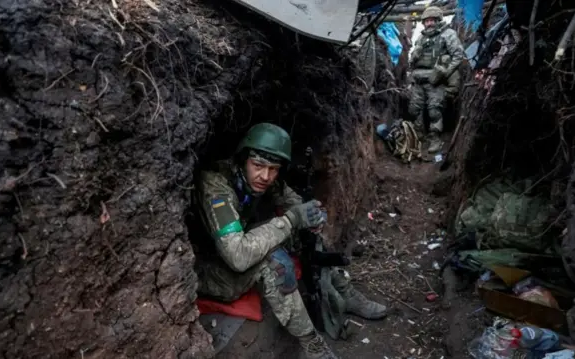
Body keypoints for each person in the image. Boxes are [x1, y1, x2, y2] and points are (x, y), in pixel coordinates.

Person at [192, 123, 387, 359]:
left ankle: (343, 290)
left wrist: (313, 215)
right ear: (243, 159)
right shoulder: (216, 187)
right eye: (258, 166)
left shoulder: (265, 177)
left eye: (273, 169)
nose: (265, 176)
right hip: (207, 268)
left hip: (233, 246)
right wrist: (291, 220)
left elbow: (293, 202)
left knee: (302, 233)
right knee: (276, 263)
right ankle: (312, 345)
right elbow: (237, 256)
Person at [409, 6, 465, 154]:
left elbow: (458, 55)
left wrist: (445, 73)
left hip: (435, 80)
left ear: (438, 20)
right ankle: (419, 135)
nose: (429, 23)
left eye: (432, 20)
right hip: (418, 79)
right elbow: (412, 59)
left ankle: (435, 139)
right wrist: (414, 56)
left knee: (434, 111)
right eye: (426, 21)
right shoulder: (421, 38)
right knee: (414, 109)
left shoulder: (448, 34)